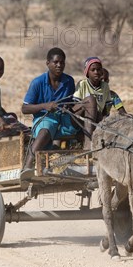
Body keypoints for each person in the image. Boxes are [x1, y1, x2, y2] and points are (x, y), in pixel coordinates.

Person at [21, 47, 77, 178]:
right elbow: (24, 108)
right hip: (45, 118)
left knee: (82, 126)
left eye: (62, 62)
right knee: (46, 130)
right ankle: (28, 165)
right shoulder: (37, 83)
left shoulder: (69, 81)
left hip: (63, 119)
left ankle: (84, 161)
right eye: (56, 62)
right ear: (47, 63)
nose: (59, 65)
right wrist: (44, 106)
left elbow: (72, 103)